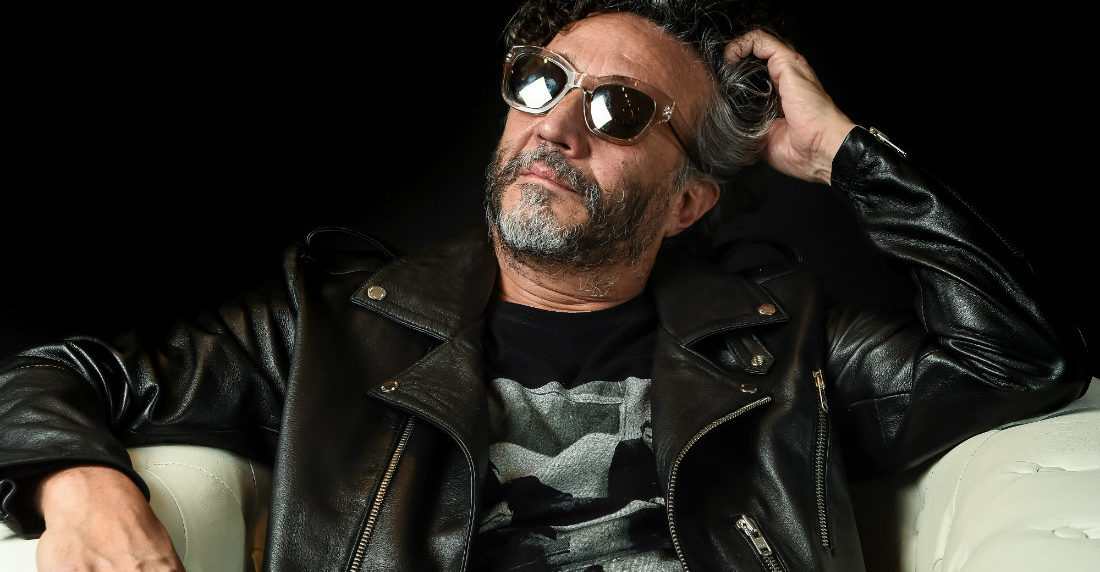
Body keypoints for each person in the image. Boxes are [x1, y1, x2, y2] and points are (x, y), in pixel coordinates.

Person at [0, 0, 1090, 570]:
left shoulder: (783, 341)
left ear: (687, 201)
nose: (558, 126)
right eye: (541, 83)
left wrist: (846, 155)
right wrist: (77, 481)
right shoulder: (334, 322)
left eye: (619, 111)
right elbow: (55, 375)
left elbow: (1020, 362)